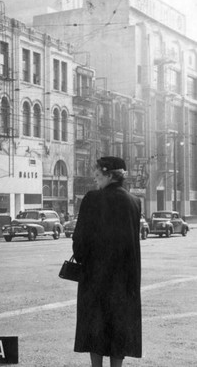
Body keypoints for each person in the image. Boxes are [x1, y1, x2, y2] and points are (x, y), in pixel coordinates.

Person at [72, 157, 142, 367]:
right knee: (119, 327)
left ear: (109, 175)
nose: (95, 180)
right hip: (125, 279)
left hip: (96, 277)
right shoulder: (134, 201)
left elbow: (79, 240)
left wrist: (83, 258)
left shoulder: (92, 199)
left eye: (98, 176)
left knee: (96, 327)